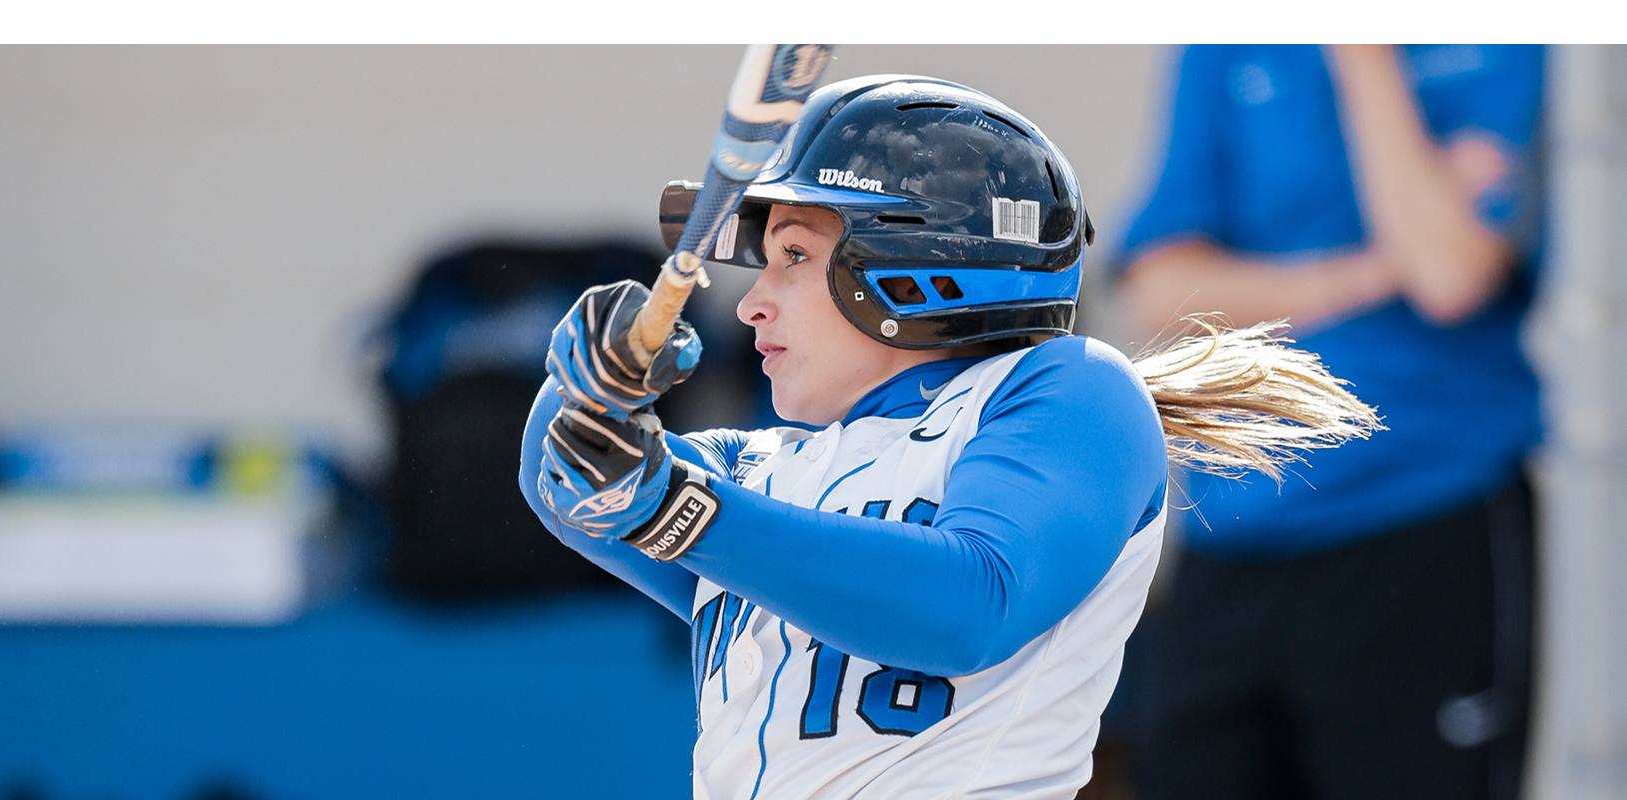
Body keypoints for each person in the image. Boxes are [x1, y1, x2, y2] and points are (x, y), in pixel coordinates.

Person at [518, 75, 1374, 799]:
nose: (751, 303)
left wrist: (682, 510)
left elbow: (973, 605)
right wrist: (593, 387)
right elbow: (560, 484)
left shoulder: (1064, 391)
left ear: (914, 265)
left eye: (792, 256)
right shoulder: (758, 466)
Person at [1113, 45, 1544, 800]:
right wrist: (1375, 271)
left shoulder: (1505, 44)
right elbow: (1163, 297)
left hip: (1421, 519)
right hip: (1232, 527)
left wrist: (1362, 54)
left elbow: (1447, 274)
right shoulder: (1225, 47)